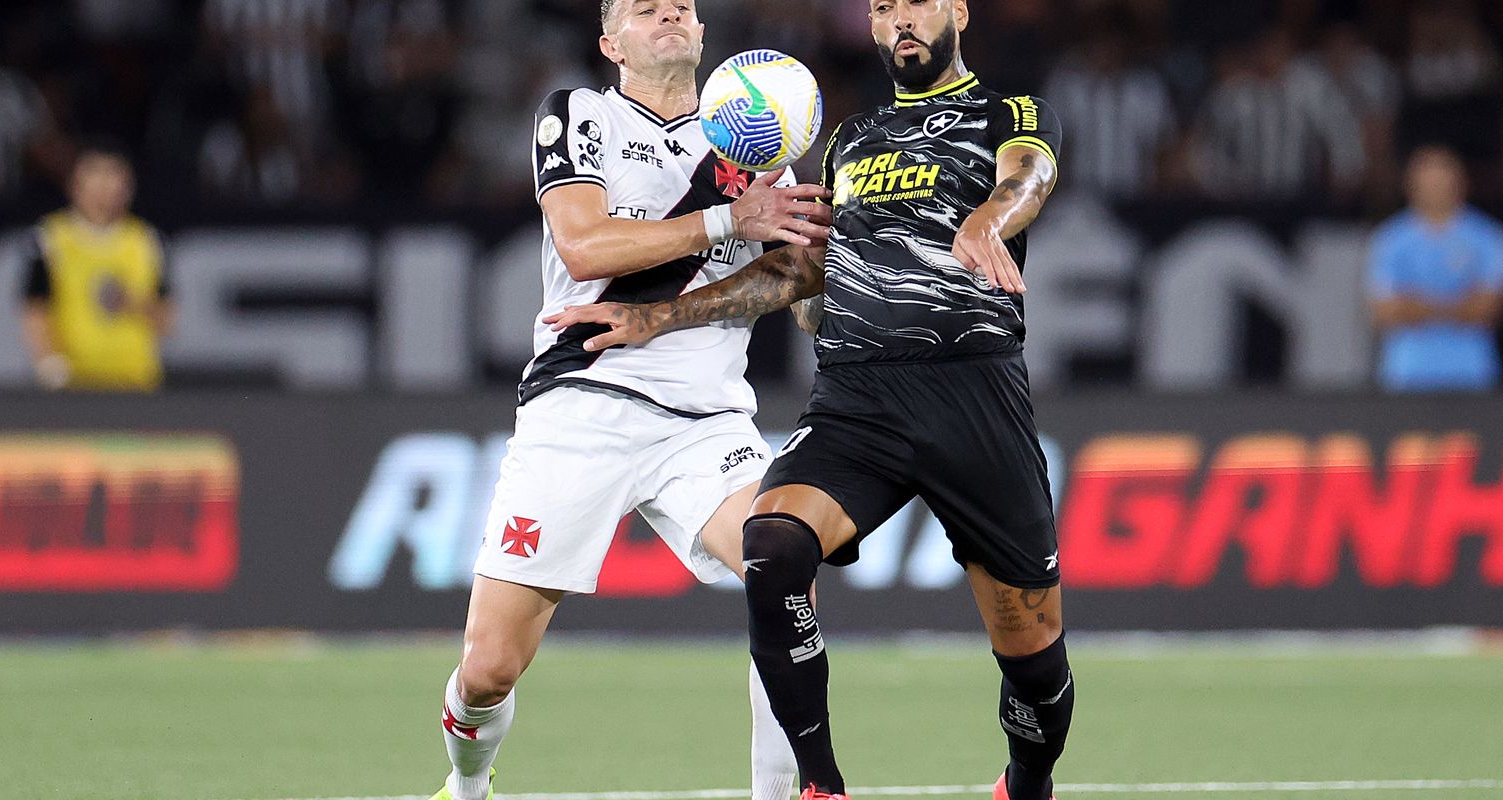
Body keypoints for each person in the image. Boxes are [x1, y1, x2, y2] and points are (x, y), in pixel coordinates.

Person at [546, 2, 1072, 799]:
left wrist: (989, 219)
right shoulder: (851, 141)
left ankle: (1027, 781)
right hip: (857, 400)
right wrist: (658, 315)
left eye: (918, 2)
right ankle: (820, 786)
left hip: (974, 391)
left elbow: (1030, 174)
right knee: (772, 543)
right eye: (883, 7)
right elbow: (799, 274)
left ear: (957, 11)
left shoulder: (1009, 112)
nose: (901, 18)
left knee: (1032, 654)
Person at [428, 2, 834, 799]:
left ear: (704, 35)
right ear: (612, 43)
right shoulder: (580, 114)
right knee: (488, 670)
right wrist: (728, 217)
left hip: (706, 422)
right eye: (646, 8)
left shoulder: (760, 148)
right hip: (583, 401)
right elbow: (583, 246)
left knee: (786, 568)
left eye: (681, 5)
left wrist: (803, 270)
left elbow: (792, 282)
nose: (669, 13)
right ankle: (467, 788)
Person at [22, 146, 173, 392]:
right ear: (75, 187)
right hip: (74, 381)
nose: (103, 193)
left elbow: (167, 319)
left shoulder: (147, 241)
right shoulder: (50, 238)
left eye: (112, 182)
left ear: (127, 190)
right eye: (95, 182)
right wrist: (48, 360)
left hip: (134, 380)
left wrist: (130, 303)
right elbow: (35, 307)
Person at [1368, 145, 1503, 392]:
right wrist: (1459, 305)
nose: (1437, 187)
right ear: (1411, 186)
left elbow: (1489, 309)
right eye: (1429, 181)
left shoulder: (1486, 237)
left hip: (1472, 372)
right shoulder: (1390, 240)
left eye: (1443, 179)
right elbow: (1385, 311)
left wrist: (1417, 305)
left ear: (1461, 184)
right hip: (1406, 373)